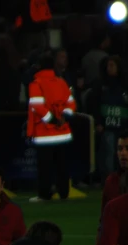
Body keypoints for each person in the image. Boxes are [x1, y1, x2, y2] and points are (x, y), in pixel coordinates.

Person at [27, 53, 77, 202]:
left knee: (45, 167)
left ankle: (44, 194)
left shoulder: (36, 84)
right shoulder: (61, 82)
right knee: (63, 166)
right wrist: (64, 118)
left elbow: (37, 106)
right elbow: (71, 103)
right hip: (63, 133)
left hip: (44, 134)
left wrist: (52, 120)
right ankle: (64, 193)